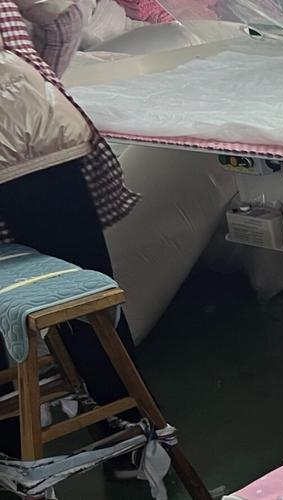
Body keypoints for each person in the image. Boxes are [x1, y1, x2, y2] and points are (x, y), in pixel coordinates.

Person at [0, 0, 146, 474]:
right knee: (84, 302)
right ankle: (128, 442)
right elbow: (62, 20)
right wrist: (30, 74)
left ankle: (11, 453)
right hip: (29, 142)